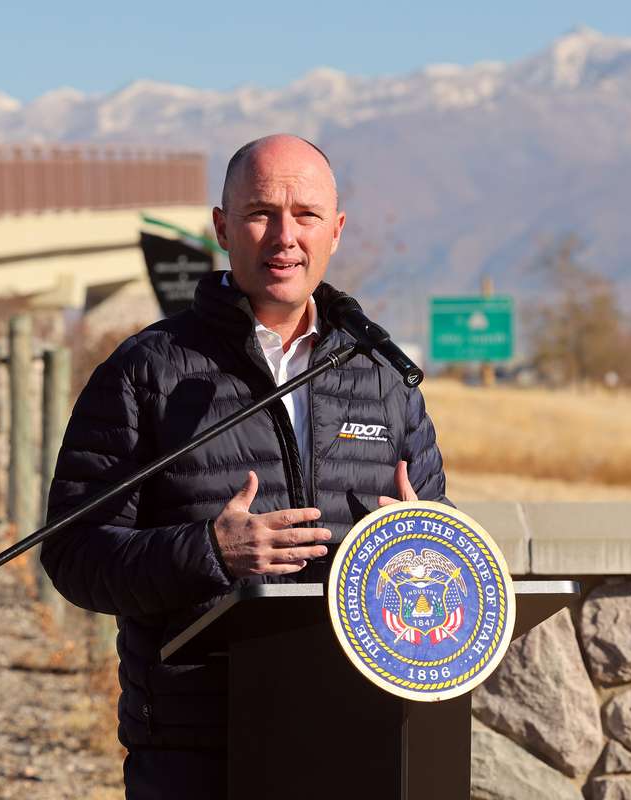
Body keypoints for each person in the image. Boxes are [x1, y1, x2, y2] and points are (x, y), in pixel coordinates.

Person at [41, 134, 449, 799]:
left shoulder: (383, 377)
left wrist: (420, 544)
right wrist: (209, 552)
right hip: (198, 746)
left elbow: (443, 544)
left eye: (307, 215)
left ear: (337, 230)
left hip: (357, 729)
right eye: (261, 213)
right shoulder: (146, 371)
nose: (285, 236)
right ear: (223, 228)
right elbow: (73, 554)